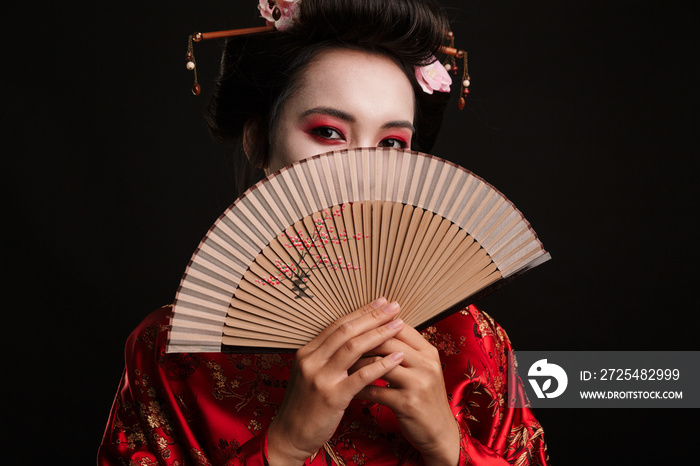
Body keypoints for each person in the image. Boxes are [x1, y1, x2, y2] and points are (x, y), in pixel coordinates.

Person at [98, 1, 549, 465]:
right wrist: (285, 445)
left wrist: (448, 445)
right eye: (329, 132)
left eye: (392, 143)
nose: (363, 169)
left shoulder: (471, 340)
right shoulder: (173, 353)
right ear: (258, 139)